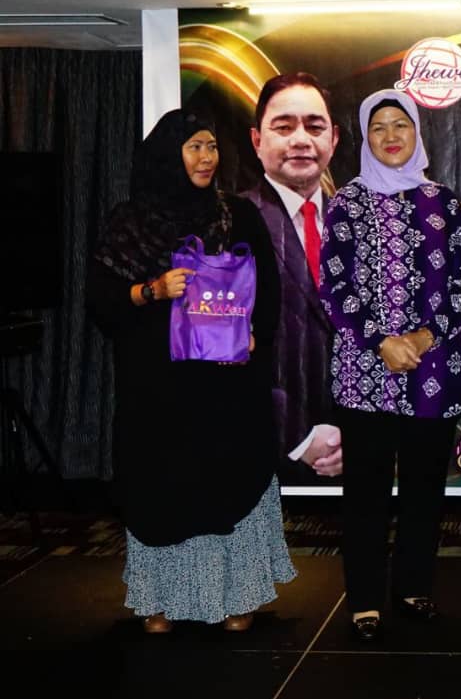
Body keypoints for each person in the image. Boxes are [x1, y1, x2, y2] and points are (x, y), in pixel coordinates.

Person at [88, 109, 293, 633]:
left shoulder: (236, 215)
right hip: (158, 388)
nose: (207, 158)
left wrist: (256, 333)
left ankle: (238, 596)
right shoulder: (129, 222)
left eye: (212, 147)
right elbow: (102, 301)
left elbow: (269, 288)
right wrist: (152, 290)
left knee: (227, 478)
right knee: (162, 486)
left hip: (225, 387)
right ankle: (161, 600)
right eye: (195, 147)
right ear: (168, 155)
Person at [320, 89, 461, 641]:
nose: (390, 136)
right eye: (378, 126)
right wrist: (380, 340)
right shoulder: (346, 203)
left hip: (434, 369)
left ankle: (412, 588)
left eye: (400, 125)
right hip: (366, 370)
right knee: (367, 492)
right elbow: (334, 286)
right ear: (365, 137)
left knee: (425, 489)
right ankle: (364, 599)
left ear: (416, 134)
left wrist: (425, 336)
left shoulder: (445, 204)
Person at [244, 72, 343, 480]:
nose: (301, 140)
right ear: (257, 140)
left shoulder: (357, 222)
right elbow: (222, 348)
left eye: (314, 127)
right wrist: (298, 437)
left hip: (356, 448)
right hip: (262, 448)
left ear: (333, 139)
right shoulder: (230, 223)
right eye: (283, 128)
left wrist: (355, 432)